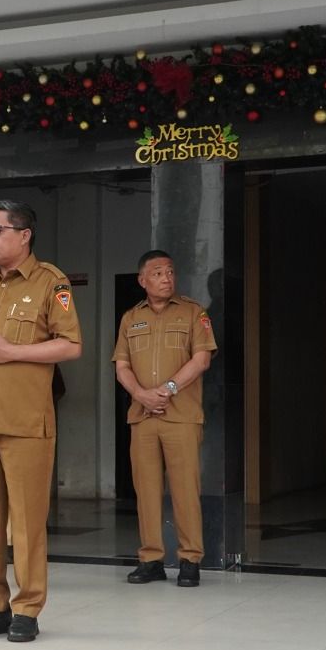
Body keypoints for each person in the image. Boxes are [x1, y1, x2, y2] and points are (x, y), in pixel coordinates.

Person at [0, 200, 82, 643]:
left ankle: (27, 608)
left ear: (24, 235)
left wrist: (13, 352)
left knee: (25, 523)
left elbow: (70, 346)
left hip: (25, 422)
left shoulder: (51, 282)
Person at [112, 251, 216, 588]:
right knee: (146, 490)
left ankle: (190, 559)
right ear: (142, 280)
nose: (166, 278)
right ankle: (151, 559)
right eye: (157, 273)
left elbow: (201, 360)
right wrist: (141, 395)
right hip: (142, 417)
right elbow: (122, 365)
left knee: (186, 489)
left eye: (170, 271)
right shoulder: (130, 318)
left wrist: (167, 389)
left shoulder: (193, 313)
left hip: (181, 416)